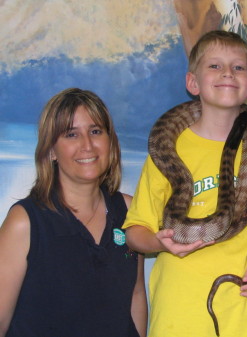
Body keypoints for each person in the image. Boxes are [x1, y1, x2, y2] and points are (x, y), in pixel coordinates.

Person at [124, 30, 247, 337]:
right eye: (214, 66)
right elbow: (135, 233)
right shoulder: (167, 149)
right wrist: (160, 243)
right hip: (180, 313)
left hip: (246, 313)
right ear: (192, 83)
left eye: (238, 67)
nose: (227, 72)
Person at [0, 88, 147, 337]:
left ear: (110, 141)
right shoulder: (25, 222)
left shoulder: (130, 211)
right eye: (71, 134)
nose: (87, 145)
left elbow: (135, 295)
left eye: (95, 131)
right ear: (51, 151)